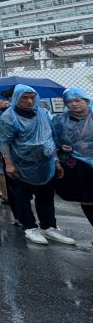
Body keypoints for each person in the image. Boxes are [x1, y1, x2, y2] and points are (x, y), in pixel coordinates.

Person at [0, 84, 75, 246]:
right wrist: (9, 163)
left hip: (45, 163)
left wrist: (56, 161)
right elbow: (4, 142)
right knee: (22, 197)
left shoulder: (42, 113)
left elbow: (50, 138)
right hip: (21, 163)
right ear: (16, 98)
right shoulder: (8, 116)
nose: (30, 101)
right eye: (25, 98)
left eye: (32, 97)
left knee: (46, 196)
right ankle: (29, 227)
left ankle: (48, 226)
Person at [51, 87, 93, 236]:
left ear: (86, 101)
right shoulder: (59, 120)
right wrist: (60, 147)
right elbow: (52, 139)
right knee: (86, 198)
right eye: (69, 101)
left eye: (77, 100)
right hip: (77, 164)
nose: (74, 104)